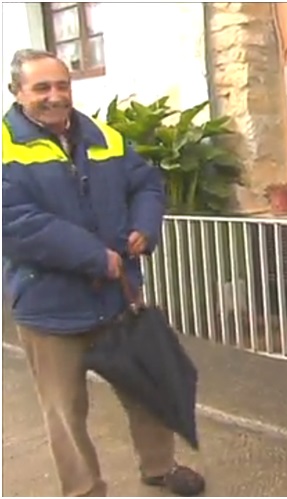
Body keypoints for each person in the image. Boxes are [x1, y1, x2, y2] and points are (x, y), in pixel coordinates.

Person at [2, 49, 204, 496]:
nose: (55, 96)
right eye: (42, 88)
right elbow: (15, 222)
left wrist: (144, 226)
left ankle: (159, 466)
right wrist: (96, 256)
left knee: (146, 389)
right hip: (49, 308)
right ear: (17, 92)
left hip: (115, 299)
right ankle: (85, 489)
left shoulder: (103, 136)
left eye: (62, 85)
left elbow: (146, 183)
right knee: (64, 412)